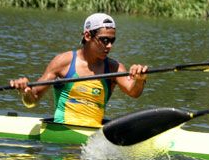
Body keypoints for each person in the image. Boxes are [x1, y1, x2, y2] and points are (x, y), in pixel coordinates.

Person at [10, 13, 148, 128]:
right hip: (62, 134)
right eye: (104, 40)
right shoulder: (63, 62)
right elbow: (32, 100)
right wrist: (26, 92)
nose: (110, 45)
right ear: (88, 36)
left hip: (94, 139)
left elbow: (133, 92)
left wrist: (139, 80)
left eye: (112, 40)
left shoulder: (114, 68)